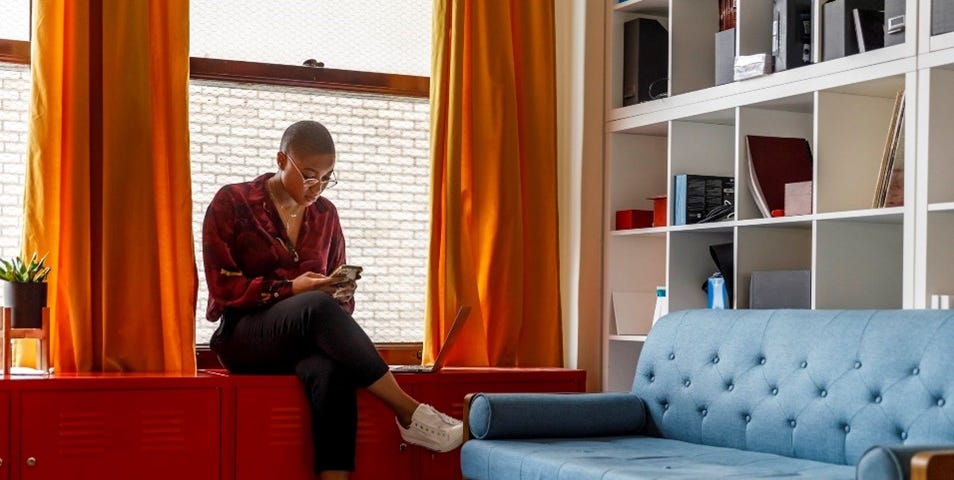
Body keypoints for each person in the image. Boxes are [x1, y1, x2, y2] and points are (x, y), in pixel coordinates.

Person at [202, 120, 463, 479]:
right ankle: (408, 411)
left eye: (327, 178)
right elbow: (223, 287)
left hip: (302, 338)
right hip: (244, 337)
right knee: (316, 307)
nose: (318, 188)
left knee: (333, 369)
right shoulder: (233, 202)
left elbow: (332, 299)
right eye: (309, 176)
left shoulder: (326, 215)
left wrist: (338, 290)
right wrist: (295, 289)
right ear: (281, 160)